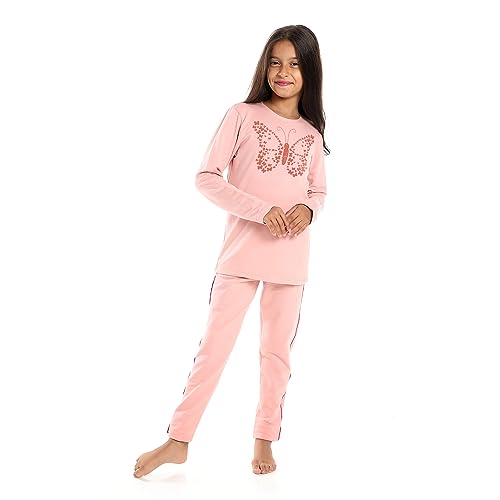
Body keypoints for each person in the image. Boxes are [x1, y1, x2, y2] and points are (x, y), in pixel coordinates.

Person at [133, 24, 329, 478]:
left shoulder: (312, 134)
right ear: (265, 66)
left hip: (290, 260)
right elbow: (207, 178)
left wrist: (308, 210)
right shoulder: (241, 115)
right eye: (275, 62)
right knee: (214, 350)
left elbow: (318, 192)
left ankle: (264, 439)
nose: (283, 72)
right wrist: (262, 211)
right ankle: (178, 439)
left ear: (309, 71)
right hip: (240, 257)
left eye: (294, 63)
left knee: (276, 354)